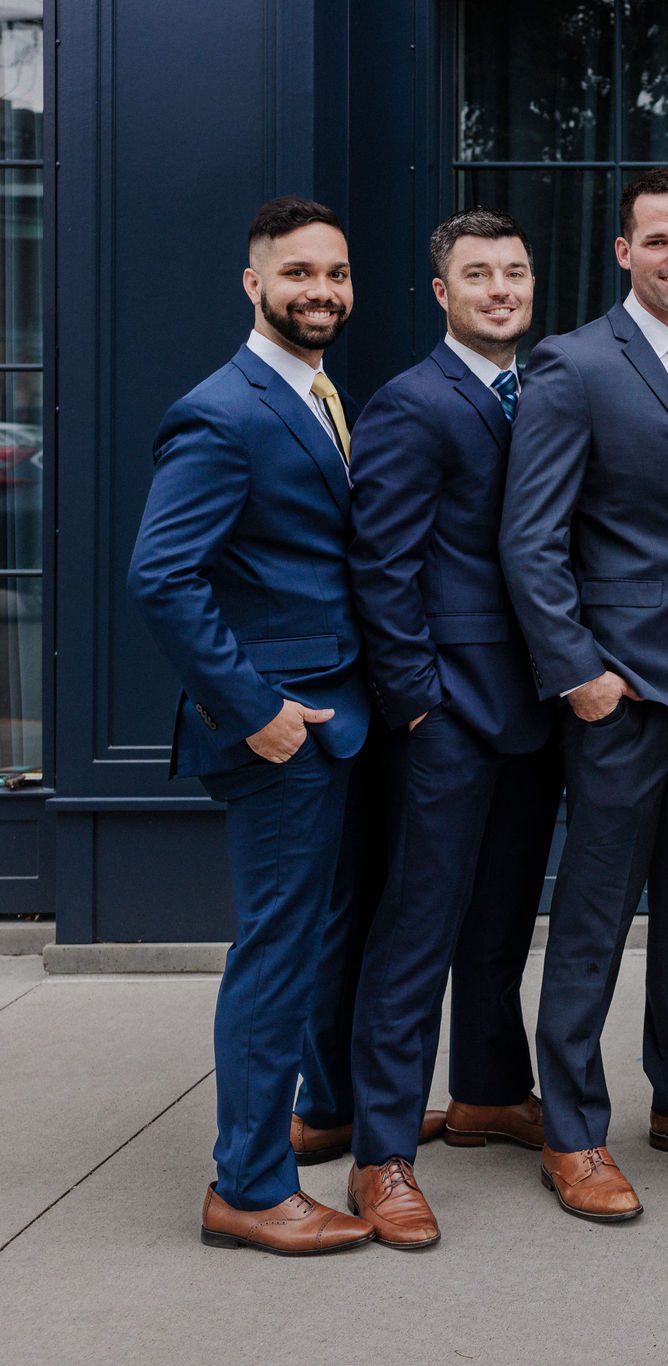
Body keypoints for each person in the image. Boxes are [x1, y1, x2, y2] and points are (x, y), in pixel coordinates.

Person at [500, 168, 668, 1221]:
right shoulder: (571, 365)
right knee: (593, 916)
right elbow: (529, 539)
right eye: (656, 241)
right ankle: (572, 1129)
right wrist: (579, 674)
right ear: (623, 253)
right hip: (620, 689)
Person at [127, 197, 377, 1254]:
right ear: (253, 283)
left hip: (341, 718)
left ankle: (319, 1112)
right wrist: (258, 710)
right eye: (297, 274)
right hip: (282, 730)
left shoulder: (317, 391)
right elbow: (160, 575)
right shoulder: (221, 412)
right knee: (275, 953)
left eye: (335, 273)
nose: (320, 291)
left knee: (320, 937)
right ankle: (249, 1185)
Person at [341, 208, 565, 1247]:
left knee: (502, 921)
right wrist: (417, 702)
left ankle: (485, 1089)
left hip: (534, 708)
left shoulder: (542, 394)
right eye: (477, 275)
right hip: (445, 716)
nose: (499, 290)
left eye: (513, 273)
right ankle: (383, 1151)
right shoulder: (410, 404)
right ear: (442, 293)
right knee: (416, 931)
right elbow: (381, 568)